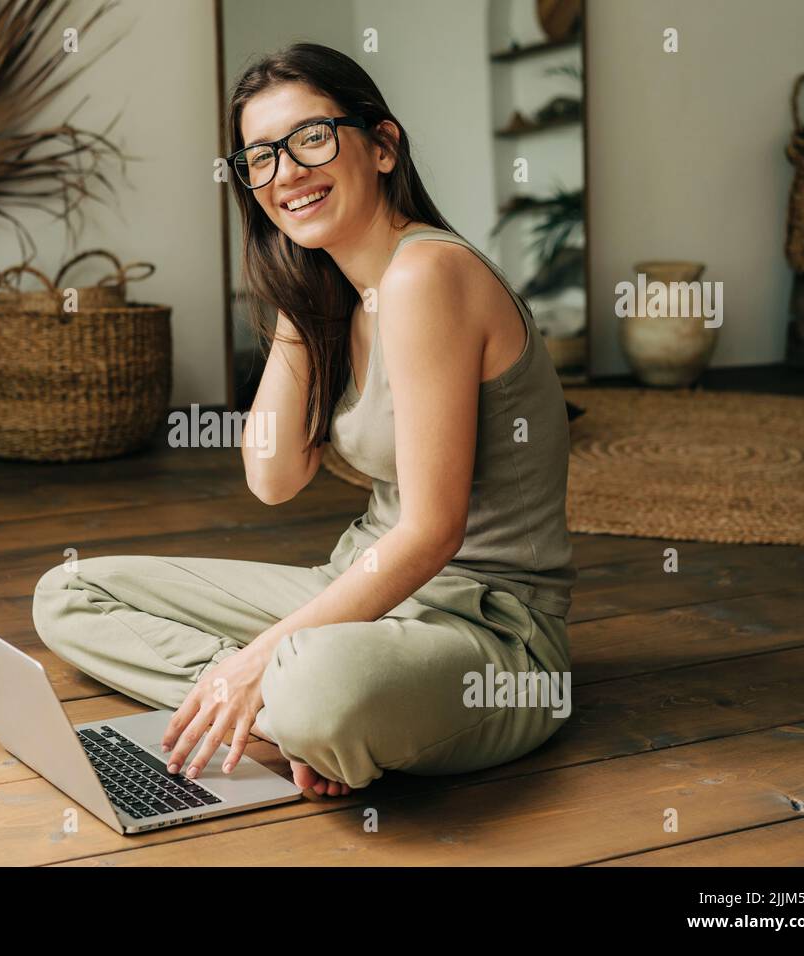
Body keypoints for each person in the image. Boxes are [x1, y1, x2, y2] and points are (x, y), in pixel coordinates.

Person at [33, 42, 576, 797]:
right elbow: (274, 478)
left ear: (382, 146)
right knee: (68, 594)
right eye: (259, 158)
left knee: (317, 687)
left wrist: (271, 656)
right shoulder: (340, 294)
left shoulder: (428, 274)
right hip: (359, 586)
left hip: (489, 633)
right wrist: (301, 297)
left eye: (311, 139)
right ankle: (262, 700)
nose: (285, 173)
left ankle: (285, 694)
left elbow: (432, 533)